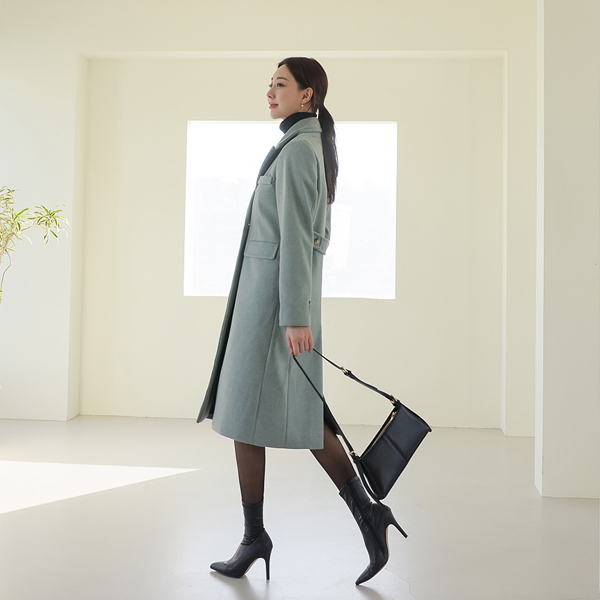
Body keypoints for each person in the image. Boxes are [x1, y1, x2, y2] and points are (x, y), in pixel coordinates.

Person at [196, 56, 403, 586]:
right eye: (269, 83)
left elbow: (297, 238)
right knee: (286, 414)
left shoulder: (298, 151)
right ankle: (348, 519)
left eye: (281, 84)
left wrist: (293, 316)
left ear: (308, 95)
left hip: (272, 309)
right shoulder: (302, 146)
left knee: (260, 414)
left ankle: (268, 534)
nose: (270, 91)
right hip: (267, 303)